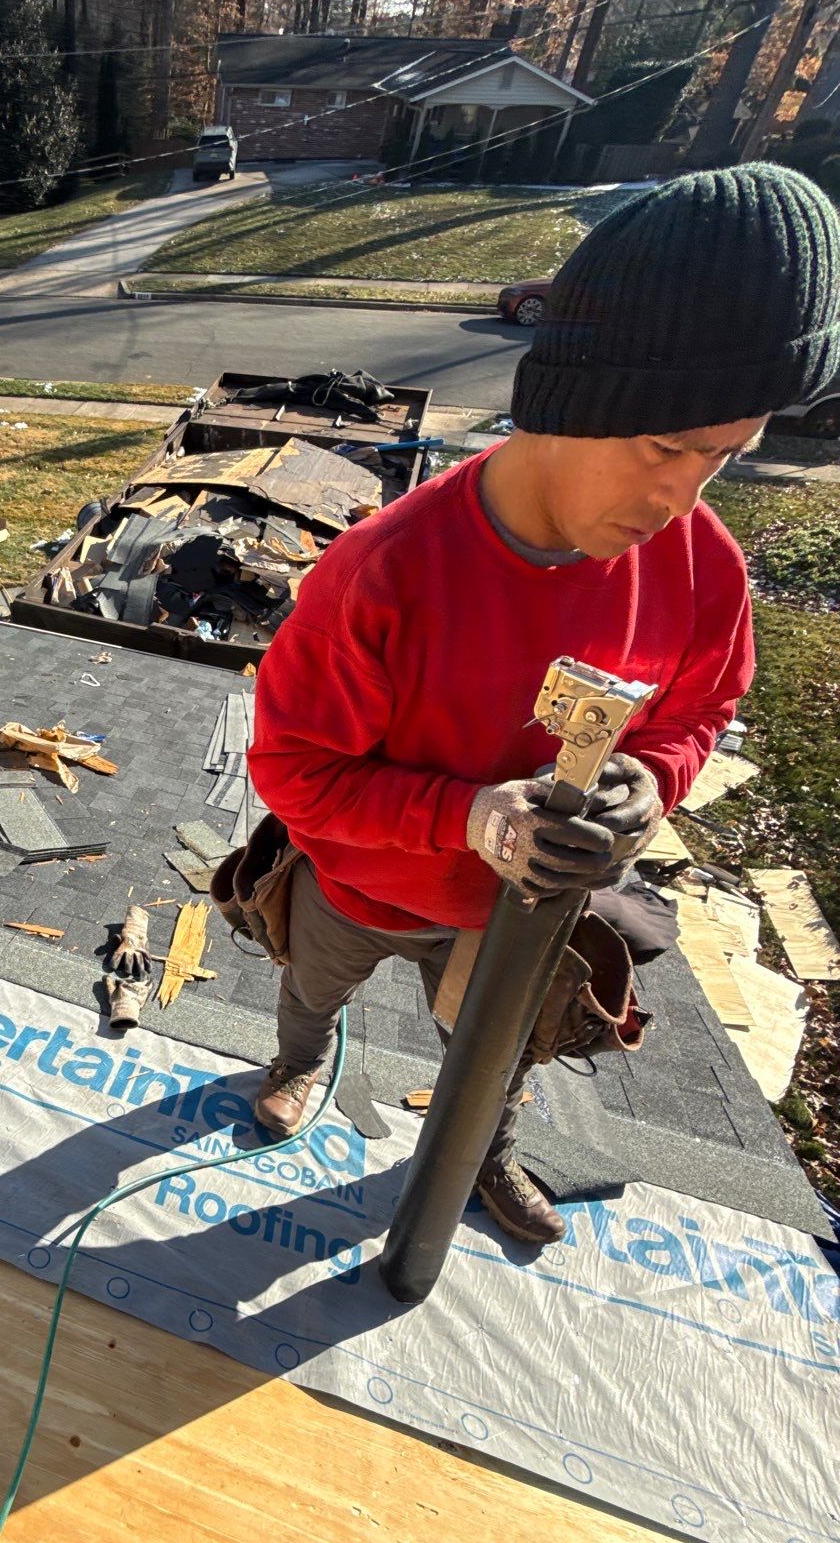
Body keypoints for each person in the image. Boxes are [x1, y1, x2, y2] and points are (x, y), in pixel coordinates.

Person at [247, 162, 840, 1243]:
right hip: (362, 882)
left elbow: (700, 708)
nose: (680, 500)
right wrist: (470, 817)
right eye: (665, 448)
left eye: (723, 459)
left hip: (510, 919)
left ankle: (483, 1146)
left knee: (496, 1047)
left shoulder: (700, 568)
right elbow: (295, 774)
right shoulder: (386, 575)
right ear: (567, 405)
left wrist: (652, 784)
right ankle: (299, 1059)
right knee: (311, 985)